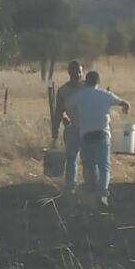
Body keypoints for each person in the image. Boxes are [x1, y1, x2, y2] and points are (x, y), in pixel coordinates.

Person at [66, 71, 130, 209]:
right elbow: (124, 103)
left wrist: (74, 118)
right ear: (98, 82)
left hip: (85, 135)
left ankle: (90, 192)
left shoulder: (80, 95)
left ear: (86, 82)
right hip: (102, 135)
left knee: (89, 166)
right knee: (104, 167)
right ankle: (101, 195)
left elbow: (68, 104)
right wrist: (126, 109)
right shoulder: (105, 95)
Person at [52, 61, 85, 192]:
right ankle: (71, 186)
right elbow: (59, 111)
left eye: (79, 71)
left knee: (89, 159)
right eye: (75, 71)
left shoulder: (88, 87)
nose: (77, 74)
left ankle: (90, 185)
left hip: (88, 127)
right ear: (69, 73)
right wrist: (55, 130)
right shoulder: (63, 91)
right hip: (72, 128)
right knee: (71, 158)